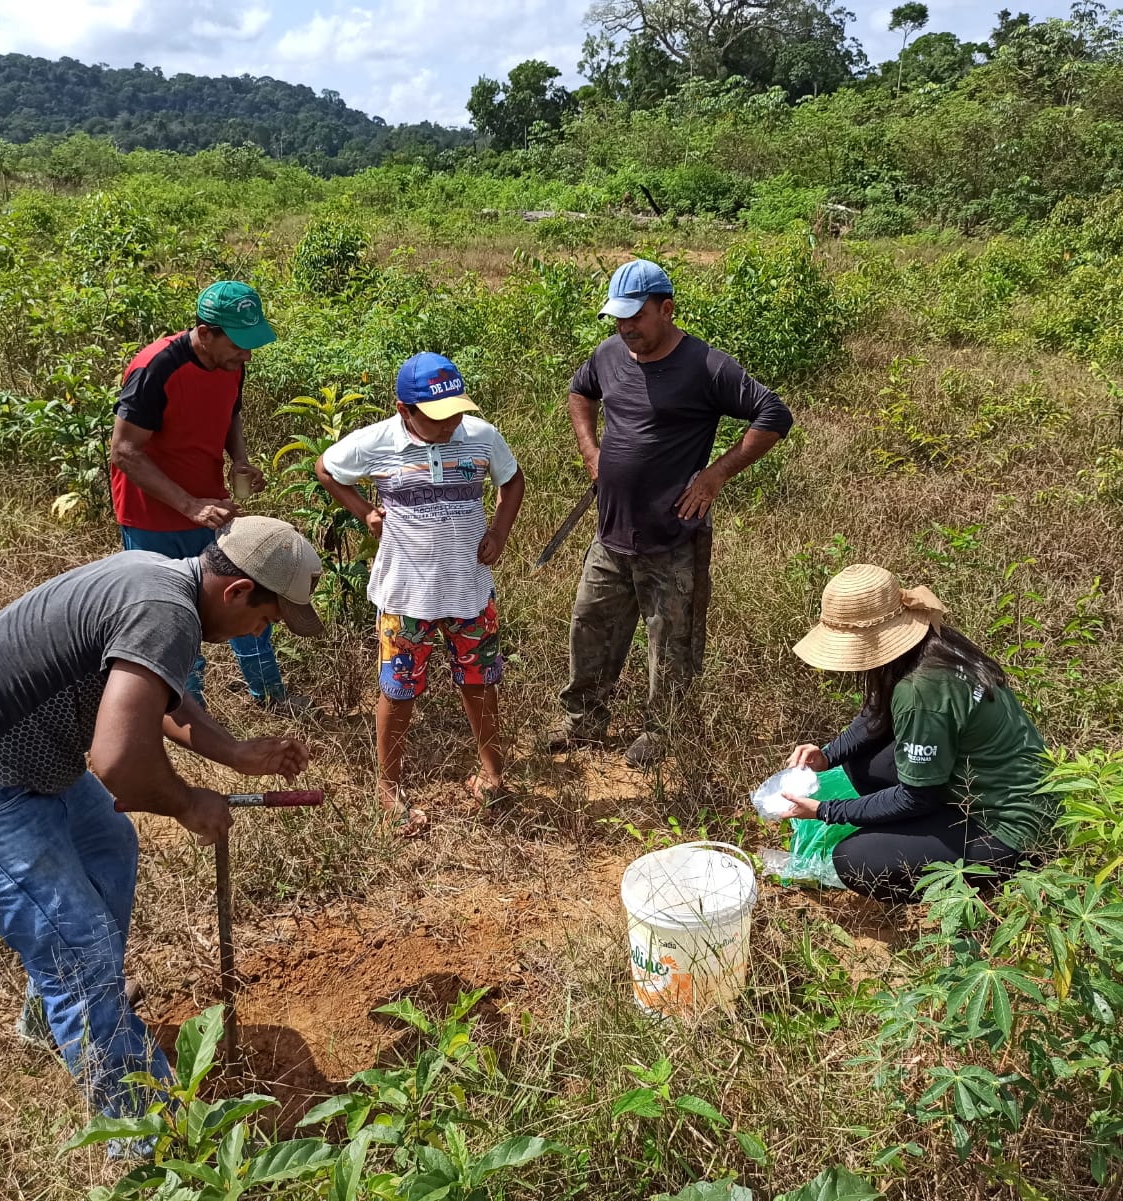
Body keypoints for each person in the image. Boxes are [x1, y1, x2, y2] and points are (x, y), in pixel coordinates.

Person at [0, 517, 323, 1135]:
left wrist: (234, 752)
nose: (260, 633)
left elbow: (146, 694)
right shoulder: (168, 611)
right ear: (238, 590)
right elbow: (117, 761)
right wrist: (188, 803)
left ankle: (52, 1016)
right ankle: (150, 1140)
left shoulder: (162, 583)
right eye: (266, 619)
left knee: (108, 846)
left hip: (16, 771)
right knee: (80, 950)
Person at [553, 259, 793, 768]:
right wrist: (590, 451)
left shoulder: (706, 366)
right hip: (611, 531)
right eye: (618, 318)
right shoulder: (609, 354)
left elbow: (774, 414)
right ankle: (584, 720)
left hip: (672, 537)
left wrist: (716, 475)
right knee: (590, 625)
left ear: (667, 309)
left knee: (671, 643)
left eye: (636, 317)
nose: (626, 328)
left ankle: (662, 732)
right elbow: (580, 391)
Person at [314, 353, 524, 835]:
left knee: (480, 682)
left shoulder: (480, 437)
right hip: (405, 598)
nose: (450, 423)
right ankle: (389, 789)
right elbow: (326, 468)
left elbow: (512, 481)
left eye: (456, 412)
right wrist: (365, 511)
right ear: (403, 410)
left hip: (470, 591)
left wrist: (499, 531)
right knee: (399, 690)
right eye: (437, 416)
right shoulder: (377, 442)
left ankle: (491, 773)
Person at [775, 563, 1055, 904]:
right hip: (993, 786)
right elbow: (876, 716)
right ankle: (926, 832)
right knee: (861, 760)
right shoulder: (932, 644)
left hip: (1008, 826)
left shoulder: (920, 692)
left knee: (856, 859)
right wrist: (828, 755)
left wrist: (826, 810)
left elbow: (915, 797)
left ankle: (987, 878)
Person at [110, 280, 314, 711]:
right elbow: (124, 452)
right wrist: (189, 505)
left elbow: (230, 412)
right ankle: (188, 711)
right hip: (153, 519)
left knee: (251, 596)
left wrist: (239, 459)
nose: (247, 355)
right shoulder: (155, 368)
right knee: (170, 614)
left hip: (213, 508)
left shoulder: (230, 363)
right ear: (205, 333)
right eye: (238, 344)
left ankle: (269, 693)